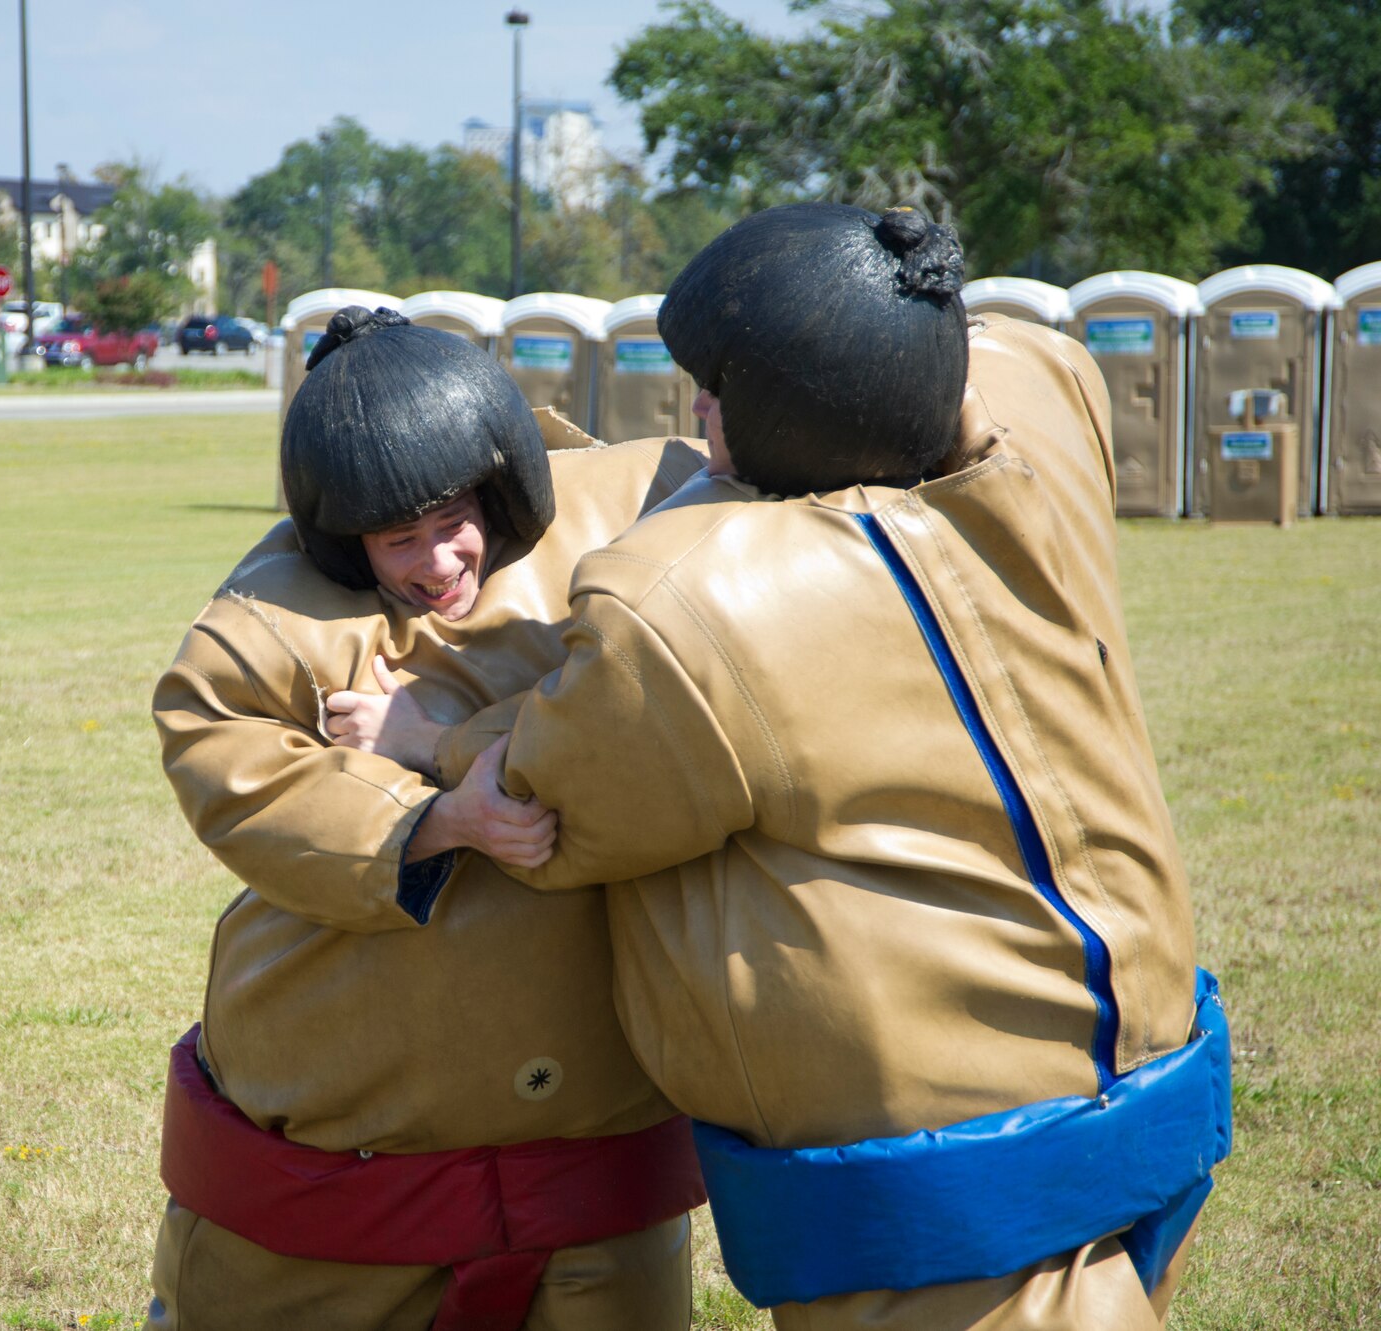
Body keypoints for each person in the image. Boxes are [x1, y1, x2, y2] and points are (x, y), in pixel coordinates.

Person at [340, 205, 1228, 1330]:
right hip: (1152, 1084)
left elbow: (553, 800)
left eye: (715, 384)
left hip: (956, 1191)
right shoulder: (1035, 429)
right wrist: (868, 347)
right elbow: (1022, 349)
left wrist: (432, 736)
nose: (693, 405)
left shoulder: (696, 600)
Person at [145, 307, 709, 1331]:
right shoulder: (276, 621)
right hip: (346, 1148)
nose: (434, 561)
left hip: (591, 1148)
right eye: (395, 539)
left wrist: (436, 732)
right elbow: (218, 744)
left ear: (499, 485)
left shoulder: (637, 507)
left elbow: (665, 694)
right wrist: (440, 821)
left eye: (451, 523)